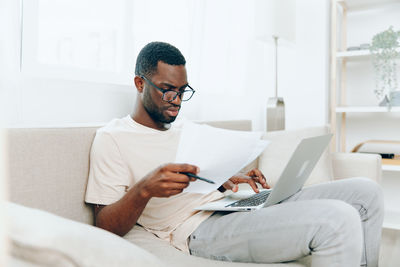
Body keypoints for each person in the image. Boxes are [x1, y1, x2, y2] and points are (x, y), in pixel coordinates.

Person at [85, 41, 384, 267]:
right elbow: (105, 225)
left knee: (365, 192)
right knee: (338, 218)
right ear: (140, 83)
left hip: (230, 205)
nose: (177, 101)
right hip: (199, 229)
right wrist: (144, 189)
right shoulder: (113, 138)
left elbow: (195, 178)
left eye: (182, 91)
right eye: (167, 90)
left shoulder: (184, 129)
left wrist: (222, 177)